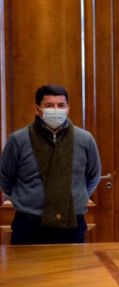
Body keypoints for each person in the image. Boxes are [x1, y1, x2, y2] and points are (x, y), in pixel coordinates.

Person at [0, 84, 101, 244]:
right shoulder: (18, 140)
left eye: (61, 105)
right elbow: (5, 178)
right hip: (29, 223)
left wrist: (75, 197)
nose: (56, 110)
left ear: (67, 108)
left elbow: (93, 175)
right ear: (38, 109)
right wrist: (27, 200)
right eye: (49, 105)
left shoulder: (84, 139)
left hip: (72, 223)